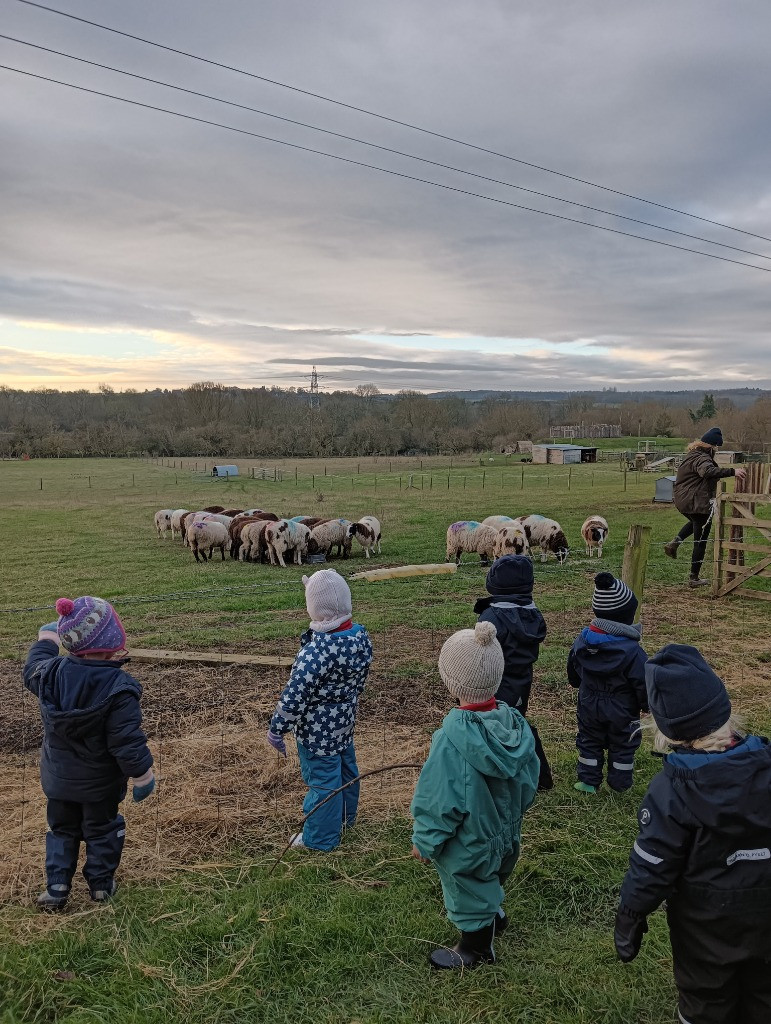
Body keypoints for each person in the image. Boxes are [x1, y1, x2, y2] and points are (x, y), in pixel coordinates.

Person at [615, 643, 771, 1024]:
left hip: (704, 929)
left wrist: (632, 912)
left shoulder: (671, 792)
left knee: (705, 1000)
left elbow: (652, 863)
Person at [410, 621, 539, 970]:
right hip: (505, 829)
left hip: (471, 838)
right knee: (493, 872)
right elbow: (530, 775)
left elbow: (440, 801)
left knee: (468, 884)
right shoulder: (513, 723)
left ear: (451, 681)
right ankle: (494, 915)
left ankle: (476, 950)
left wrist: (425, 839)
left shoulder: (452, 742)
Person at [23, 596, 155, 911]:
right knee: (103, 829)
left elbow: (32, 669)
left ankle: (57, 886)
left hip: (58, 780)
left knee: (62, 829)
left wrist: (46, 641)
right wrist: (143, 775)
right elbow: (126, 741)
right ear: (111, 641)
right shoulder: (119, 687)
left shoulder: (51, 673)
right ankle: (100, 885)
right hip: (100, 786)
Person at [266, 569, 372, 851]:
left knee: (323, 782)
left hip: (317, 732)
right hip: (345, 723)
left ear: (314, 608)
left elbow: (295, 693)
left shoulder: (316, 652)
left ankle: (320, 839)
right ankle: (345, 819)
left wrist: (278, 728)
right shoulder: (360, 638)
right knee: (346, 771)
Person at [473, 554, 553, 789]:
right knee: (517, 720)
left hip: (493, 681)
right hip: (522, 679)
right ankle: (540, 777)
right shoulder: (531, 613)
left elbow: (479, 653)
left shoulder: (491, 617)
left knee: (494, 726)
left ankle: (499, 777)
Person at [567, 572, 648, 794]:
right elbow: (643, 681)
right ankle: (620, 784)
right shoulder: (633, 652)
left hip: (588, 702)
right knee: (623, 743)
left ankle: (588, 781)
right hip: (622, 707)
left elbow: (573, 667)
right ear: (627, 616)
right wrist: (647, 705)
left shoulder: (582, 641)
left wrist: (577, 682)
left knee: (589, 739)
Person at [665, 426, 747, 587]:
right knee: (701, 540)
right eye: (717, 447)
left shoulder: (692, 455)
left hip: (683, 500)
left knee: (696, 523)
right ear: (712, 446)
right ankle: (694, 578)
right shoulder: (703, 458)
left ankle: (675, 543)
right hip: (696, 501)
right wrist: (733, 472)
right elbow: (707, 471)